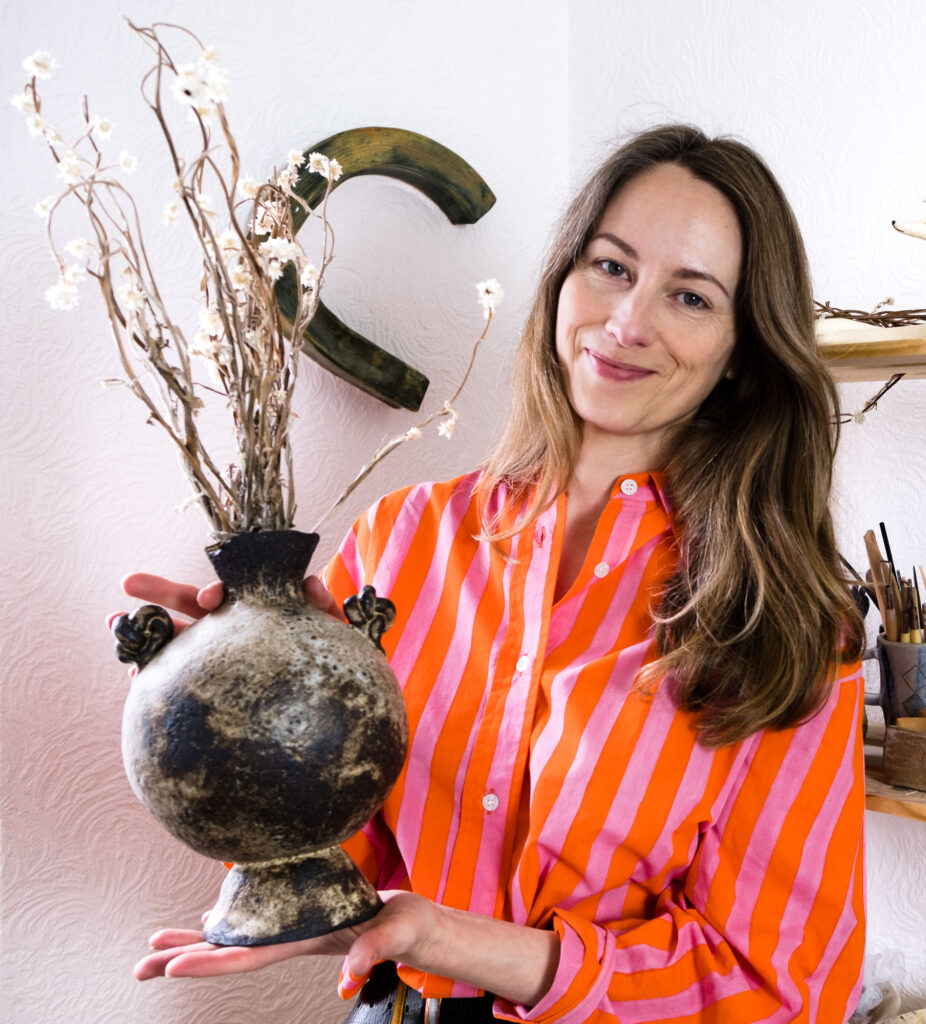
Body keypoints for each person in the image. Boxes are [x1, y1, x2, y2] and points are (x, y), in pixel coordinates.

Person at [128, 124, 866, 1023]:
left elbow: (783, 984)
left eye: (691, 297)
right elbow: (334, 848)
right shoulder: (402, 541)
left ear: (742, 346)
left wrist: (448, 940)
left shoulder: (782, 617)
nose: (627, 323)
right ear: (562, 277)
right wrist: (247, 704)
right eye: (611, 267)